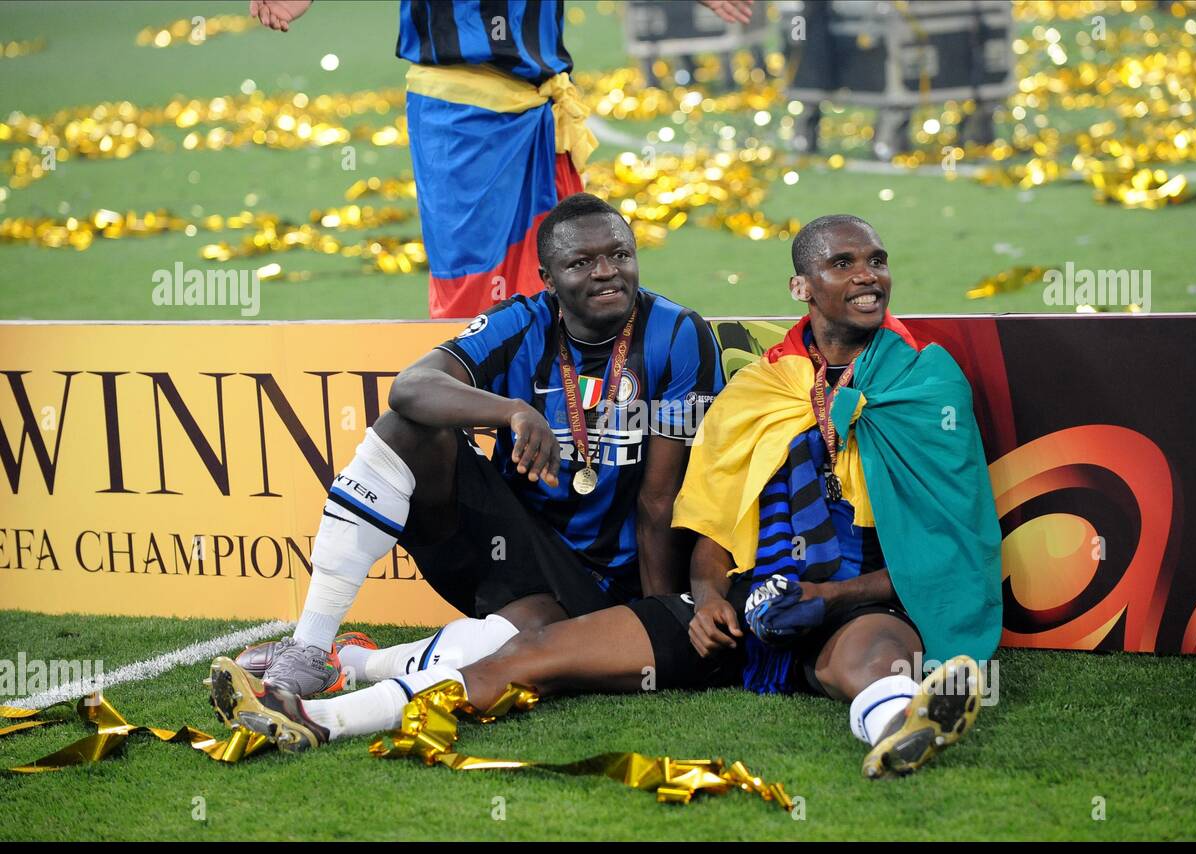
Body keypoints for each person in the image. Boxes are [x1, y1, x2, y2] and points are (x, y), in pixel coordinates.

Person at [210, 214, 1003, 779]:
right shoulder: (764, 386)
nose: (867, 277)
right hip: (601, 581)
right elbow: (713, 516)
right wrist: (698, 599)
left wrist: (810, 596)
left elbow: (940, 546)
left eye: (877, 262)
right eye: (844, 264)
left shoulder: (920, 380)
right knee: (520, 648)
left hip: (831, 602)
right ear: (802, 284)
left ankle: (902, 719)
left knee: (870, 657)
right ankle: (319, 692)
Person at [234, 193, 724, 698]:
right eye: (582, 262)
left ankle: (353, 664)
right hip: (515, 547)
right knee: (407, 427)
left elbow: (658, 499)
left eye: (620, 255)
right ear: (548, 279)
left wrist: (657, 619)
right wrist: (510, 410)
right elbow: (410, 387)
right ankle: (311, 645)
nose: (607, 272)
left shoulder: (678, 334)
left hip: (608, 579)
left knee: (514, 646)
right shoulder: (521, 321)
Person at [247, 0, 754, 316]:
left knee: (568, 286)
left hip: (540, 107)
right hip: (460, 110)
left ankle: (562, 432)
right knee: (472, 297)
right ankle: (469, 447)